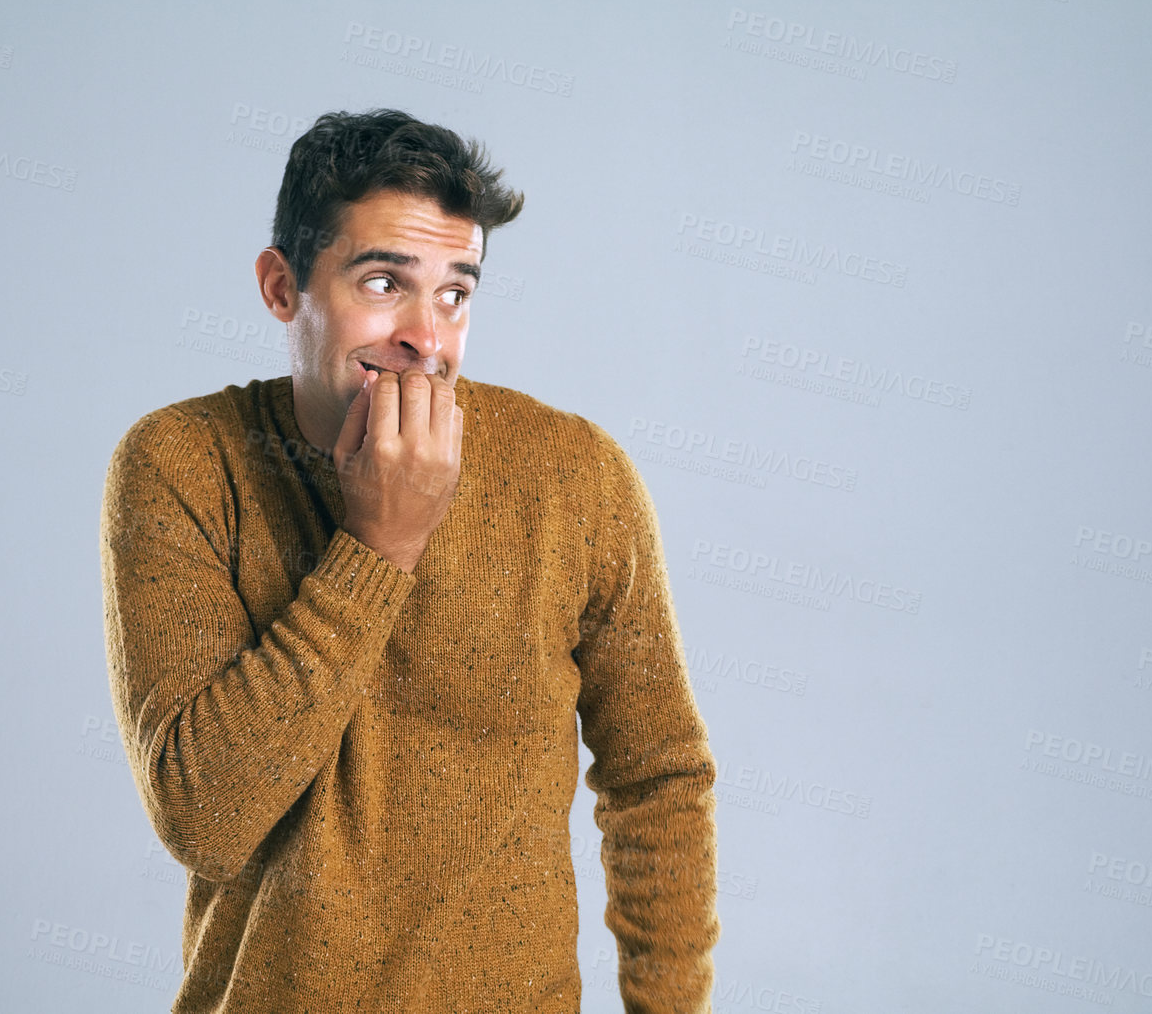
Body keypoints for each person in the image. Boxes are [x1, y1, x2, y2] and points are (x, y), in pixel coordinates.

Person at [99, 107, 717, 1013]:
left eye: (455, 293)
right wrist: (378, 543)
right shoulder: (182, 463)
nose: (426, 336)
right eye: (384, 282)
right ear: (282, 286)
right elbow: (206, 821)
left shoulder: (573, 474)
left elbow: (658, 775)